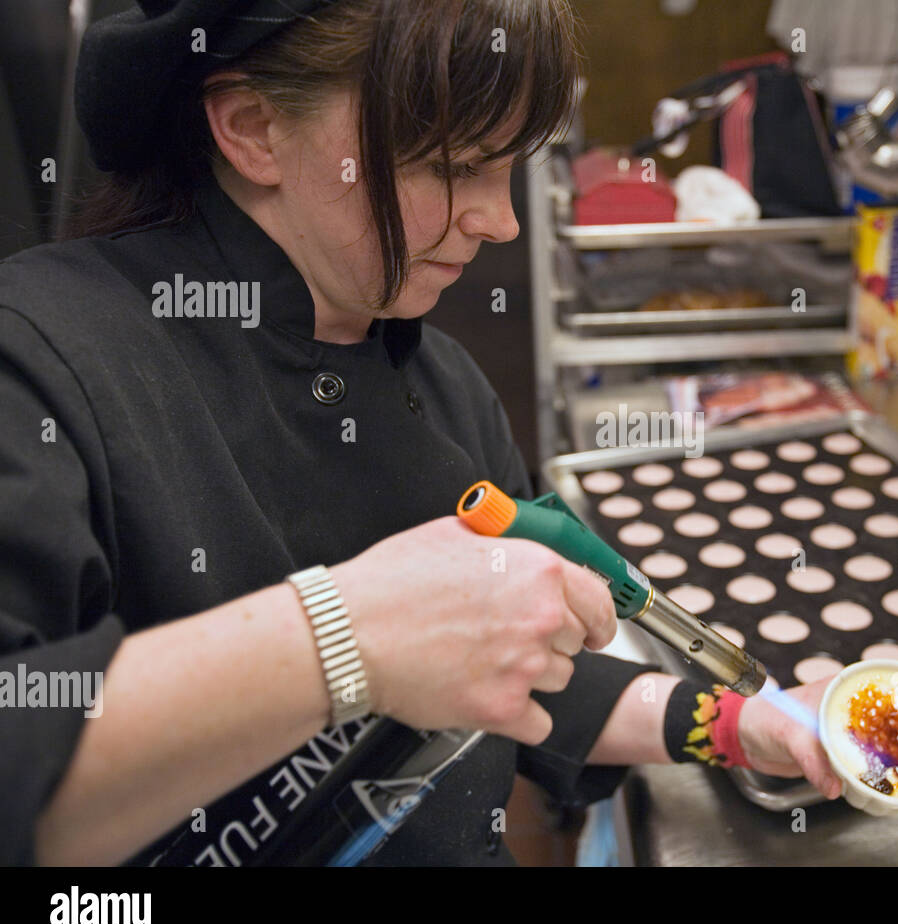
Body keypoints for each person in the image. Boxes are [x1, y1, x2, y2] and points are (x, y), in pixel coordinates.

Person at [0, 0, 840, 867]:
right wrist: (347, 639)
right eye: (454, 164)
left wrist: (739, 724)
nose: (500, 219)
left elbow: (524, 661)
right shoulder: (42, 360)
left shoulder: (443, 385)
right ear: (253, 127)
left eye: (509, 166)